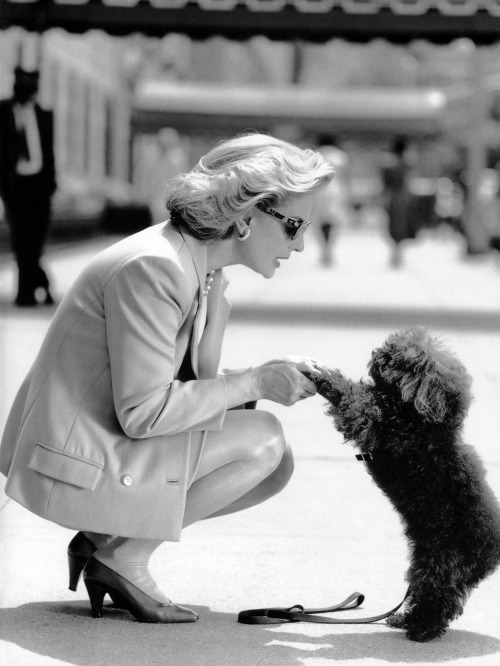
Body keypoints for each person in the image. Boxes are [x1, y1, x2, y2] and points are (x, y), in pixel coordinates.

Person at [0, 133, 334, 624]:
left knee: (275, 464)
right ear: (245, 218)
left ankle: (103, 542)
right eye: (294, 227)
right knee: (264, 440)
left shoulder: (192, 263)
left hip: (99, 443)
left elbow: (193, 379)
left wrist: (220, 325)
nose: (302, 243)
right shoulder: (156, 269)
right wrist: (256, 383)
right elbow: (145, 413)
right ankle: (123, 558)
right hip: (74, 463)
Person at [0, 67, 57, 306]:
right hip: (15, 185)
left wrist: (52, 184)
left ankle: (40, 283)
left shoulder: (44, 115)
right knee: (21, 239)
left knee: (35, 240)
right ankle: (26, 293)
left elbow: (49, 152)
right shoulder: (3, 111)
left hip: (40, 187)